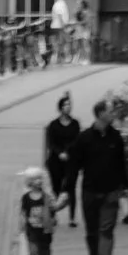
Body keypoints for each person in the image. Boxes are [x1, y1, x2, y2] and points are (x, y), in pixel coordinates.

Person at [70, 100, 128, 255]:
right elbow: (74, 165)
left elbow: (121, 164)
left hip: (111, 191)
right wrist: (67, 190)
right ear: (101, 113)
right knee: (92, 231)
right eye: (111, 111)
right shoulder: (84, 138)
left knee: (106, 229)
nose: (114, 115)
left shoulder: (116, 138)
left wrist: (125, 187)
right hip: (90, 191)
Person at [43, 94, 81, 227]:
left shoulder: (75, 124)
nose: (68, 107)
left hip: (71, 160)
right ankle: (54, 216)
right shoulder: (53, 125)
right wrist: (59, 153)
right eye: (65, 105)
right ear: (60, 108)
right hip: (56, 160)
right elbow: (51, 143)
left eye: (69, 105)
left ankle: (72, 218)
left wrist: (67, 152)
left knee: (71, 188)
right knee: (56, 188)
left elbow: (77, 140)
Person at [19, 168, 58, 255]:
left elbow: (53, 210)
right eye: (35, 179)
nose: (39, 181)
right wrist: (21, 224)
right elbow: (23, 212)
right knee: (34, 253)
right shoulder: (26, 197)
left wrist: (54, 216)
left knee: (45, 253)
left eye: (40, 178)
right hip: (32, 231)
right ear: (30, 182)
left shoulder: (47, 196)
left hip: (45, 231)